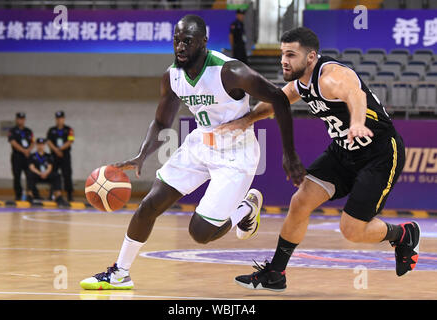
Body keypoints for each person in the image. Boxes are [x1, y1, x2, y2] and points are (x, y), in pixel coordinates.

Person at [79, 14, 304, 290]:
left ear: (203, 43)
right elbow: (162, 121)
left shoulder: (230, 71)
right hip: (200, 143)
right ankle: (119, 273)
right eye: (176, 40)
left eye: (187, 41)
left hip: (236, 154)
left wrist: (289, 154)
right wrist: (142, 154)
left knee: (200, 232)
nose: (180, 47)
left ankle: (245, 209)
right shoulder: (172, 76)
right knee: (150, 204)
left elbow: (279, 98)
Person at [217, 27, 420, 291]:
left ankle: (403, 234)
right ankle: (276, 274)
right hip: (343, 151)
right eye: (282, 54)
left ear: (311, 57)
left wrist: (357, 122)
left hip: (379, 152)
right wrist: (245, 121)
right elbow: (278, 101)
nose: (284, 60)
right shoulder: (301, 83)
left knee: (352, 230)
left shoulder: (331, 77)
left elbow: (356, 96)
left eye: (291, 54)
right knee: (300, 201)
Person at [26, 138, 69, 207]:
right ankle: (30, 195)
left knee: (57, 175)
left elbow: (50, 167)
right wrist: (40, 173)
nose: (41, 146)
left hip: (46, 175)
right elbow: (32, 167)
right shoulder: (32, 156)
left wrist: (45, 173)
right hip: (37, 175)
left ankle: (58, 196)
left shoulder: (48, 156)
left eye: (42, 144)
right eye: (39, 144)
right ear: (36, 145)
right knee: (29, 174)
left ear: (44, 145)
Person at [46, 111, 75, 201]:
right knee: (53, 174)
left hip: (65, 155)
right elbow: (49, 141)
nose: (59, 120)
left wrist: (60, 149)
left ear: (64, 119)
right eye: (58, 118)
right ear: (56, 119)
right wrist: (56, 150)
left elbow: (70, 141)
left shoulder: (69, 129)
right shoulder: (51, 130)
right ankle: (51, 194)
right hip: (54, 155)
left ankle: (69, 195)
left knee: (67, 174)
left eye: (61, 118)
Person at [8, 112, 35, 200]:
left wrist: (28, 150)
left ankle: (30, 193)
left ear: (24, 120)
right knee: (17, 176)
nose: (21, 120)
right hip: (17, 156)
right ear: (16, 120)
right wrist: (23, 150)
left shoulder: (29, 131)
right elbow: (13, 142)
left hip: (27, 156)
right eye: (19, 119)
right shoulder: (12, 130)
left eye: (22, 119)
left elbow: (33, 142)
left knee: (29, 175)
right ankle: (18, 194)